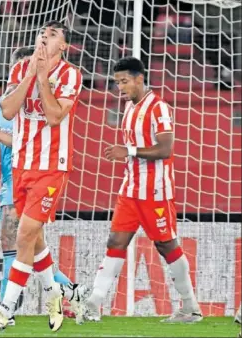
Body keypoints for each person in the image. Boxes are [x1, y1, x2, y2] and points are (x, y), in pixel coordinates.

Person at [0, 46, 88, 327]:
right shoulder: (8, 100)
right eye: (19, 65)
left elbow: (24, 139)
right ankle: (67, 290)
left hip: (34, 175)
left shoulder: (42, 96)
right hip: (13, 178)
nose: (23, 69)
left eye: (28, 63)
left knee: (17, 238)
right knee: (30, 241)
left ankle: (7, 310)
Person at [78, 56, 202, 324]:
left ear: (139, 79)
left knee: (166, 245)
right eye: (116, 82)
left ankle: (190, 308)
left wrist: (129, 151)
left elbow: (166, 149)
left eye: (124, 82)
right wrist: (128, 156)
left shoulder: (159, 108)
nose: (120, 87)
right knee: (115, 242)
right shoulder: (128, 108)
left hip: (155, 191)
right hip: (130, 190)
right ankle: (92, 305)